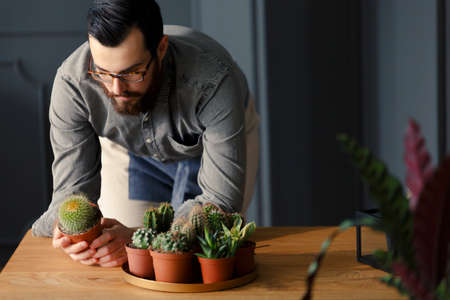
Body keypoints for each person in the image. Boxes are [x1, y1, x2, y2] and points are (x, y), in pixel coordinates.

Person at [32, 0, 260, 267]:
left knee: (206, 257)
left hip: (211, 147)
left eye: (132, 72)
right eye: (103, 72)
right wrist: (69, 230)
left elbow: (220, 203)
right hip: (131, 149)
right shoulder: (73, 83)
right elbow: (71, 194)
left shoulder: (213, 80)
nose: (116, 88)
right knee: (121, 262)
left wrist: (138, 238)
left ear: (161, 49)